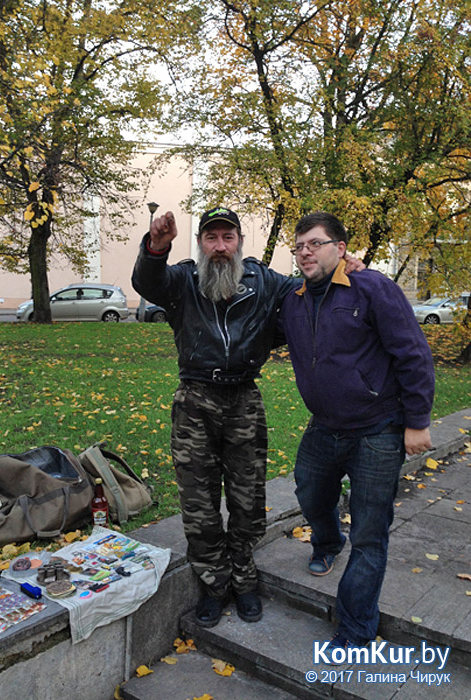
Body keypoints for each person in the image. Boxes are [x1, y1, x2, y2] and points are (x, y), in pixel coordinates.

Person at [132, 206, 303, 627]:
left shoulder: (264, 282)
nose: (220, 247)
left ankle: (243, 580)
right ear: (201, 244)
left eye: (228, 238)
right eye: (212, 238)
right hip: (195, 401)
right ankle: (213, 583)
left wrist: (341, 266)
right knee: (199, 501)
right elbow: (147, 280)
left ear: (239, 242)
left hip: (243, 399)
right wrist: (156, 245)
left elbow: (307, 291)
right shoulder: (183, 282)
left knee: (248, 499)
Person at [278, 211, 435, 657]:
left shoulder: (372, 288)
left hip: (377, 430)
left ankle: (356, 625)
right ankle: (328, 541)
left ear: (341, 248)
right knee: (309, 491)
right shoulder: (294, 298)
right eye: (299, 245)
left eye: (315, 243)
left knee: (370, 530)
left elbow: (412, 353)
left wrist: (417, 421)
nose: (305, 251)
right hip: (324, 427)